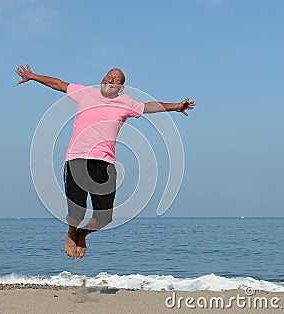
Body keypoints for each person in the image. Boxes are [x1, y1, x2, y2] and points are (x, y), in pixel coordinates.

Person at [15, 64, 195, 260]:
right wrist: (32, 76)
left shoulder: (127, 103)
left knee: (104, 217)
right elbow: (58, 84)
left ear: (121, 88)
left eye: (116, 79)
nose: (110, 79)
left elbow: (150, 106)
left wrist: (176, 107)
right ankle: (71, 232)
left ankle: (82, 234)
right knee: (77, 210)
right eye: (108, 76)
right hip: (78, 157)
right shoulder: (85, 93)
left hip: (105, 162)